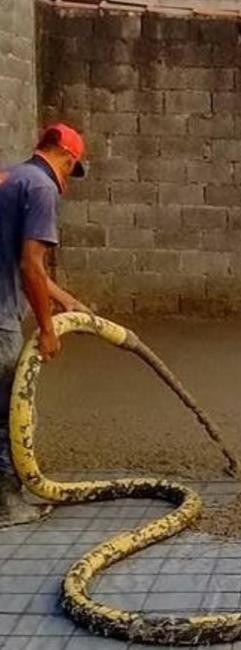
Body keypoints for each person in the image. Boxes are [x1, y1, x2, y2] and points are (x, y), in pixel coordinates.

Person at [0, 123, 90, 524]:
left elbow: (23, 264)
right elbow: (30, 266)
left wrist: (64, 300)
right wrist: (49, 329)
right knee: (9, 410)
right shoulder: (42, 189)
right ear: (67, 158)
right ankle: (6, 503)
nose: (70, 176)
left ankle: (14, 491)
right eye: (73, 167)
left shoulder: (11, 176)